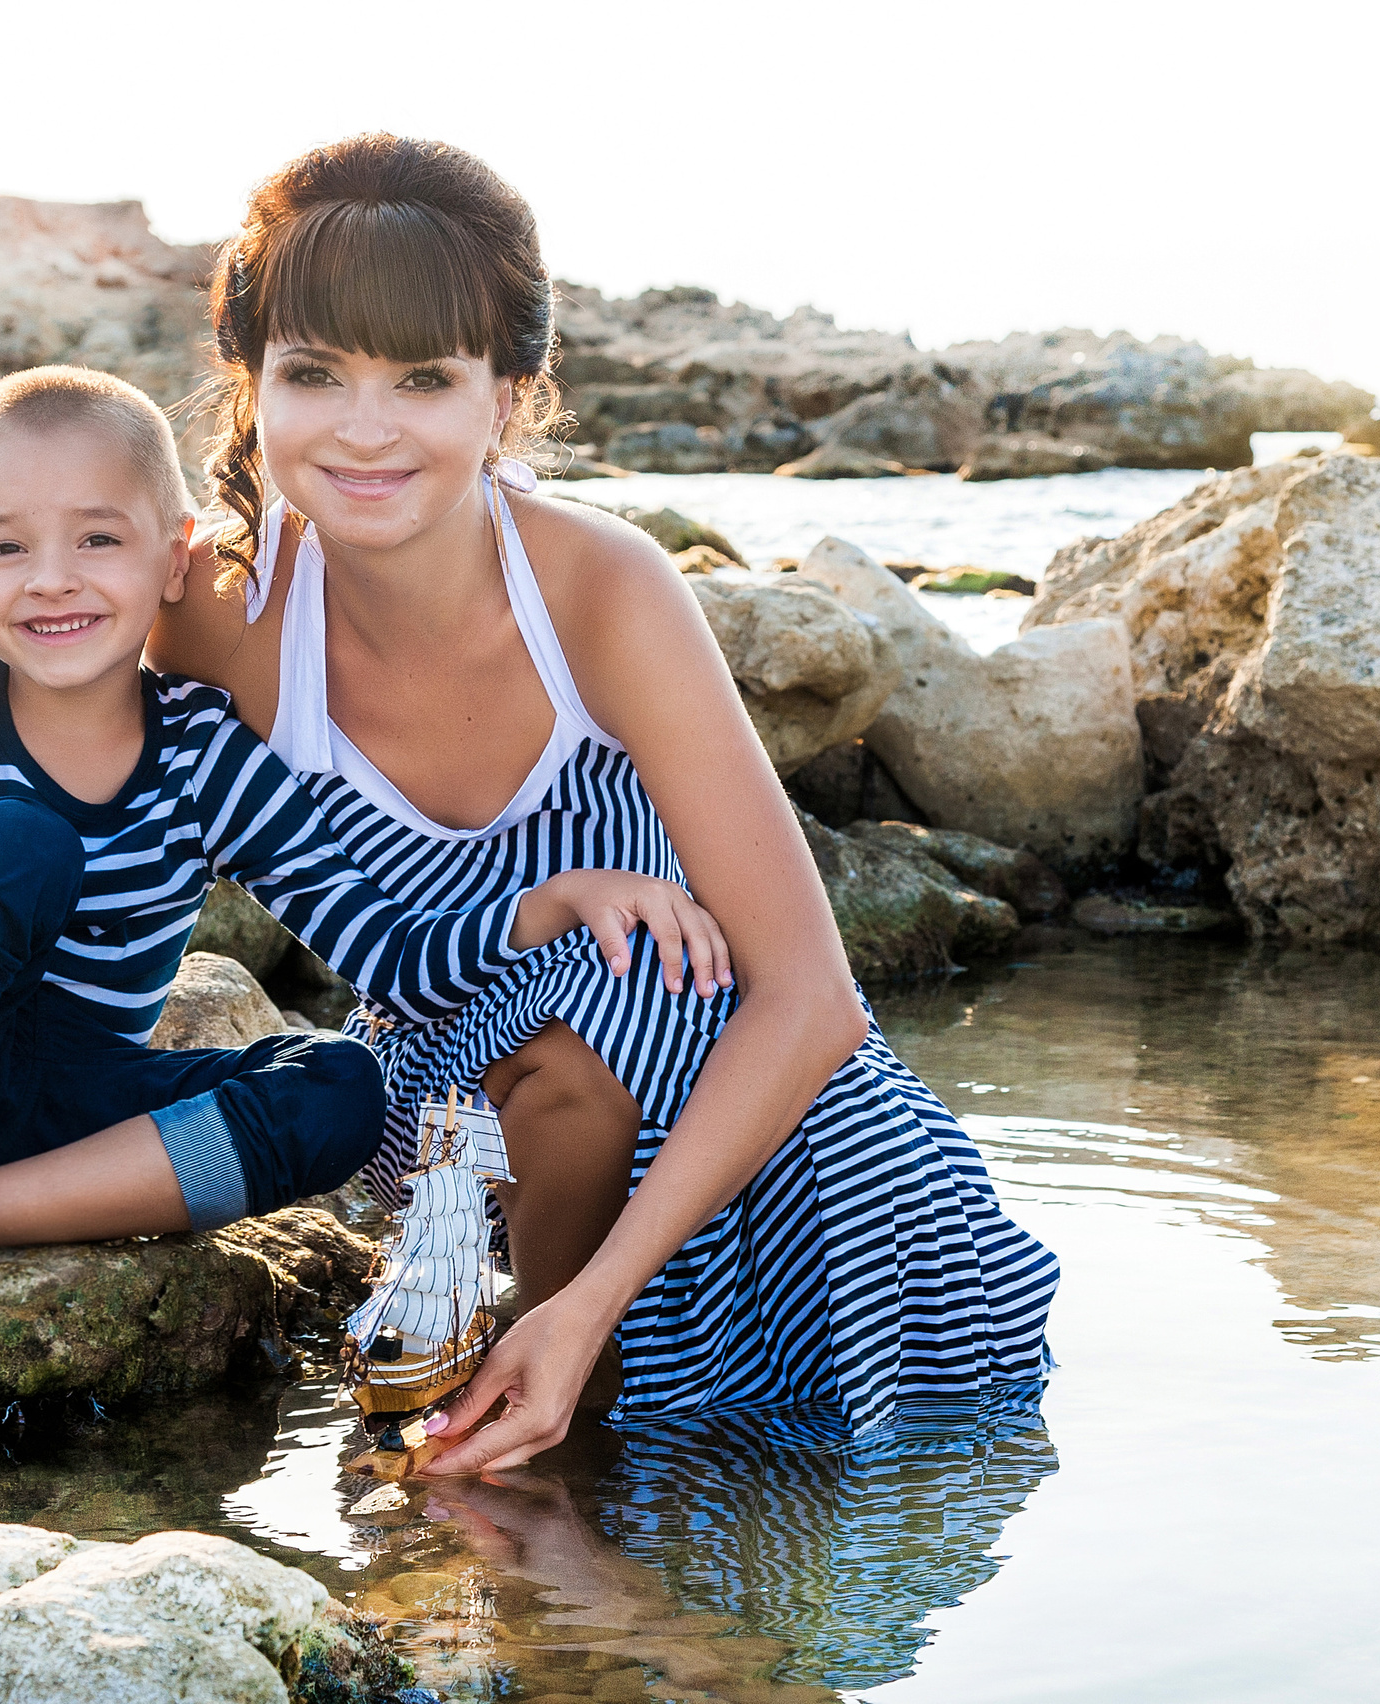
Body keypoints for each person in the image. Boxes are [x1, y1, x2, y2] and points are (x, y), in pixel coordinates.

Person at [146, 134, 1060, 1474]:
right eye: (314, 374)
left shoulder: (602, 591)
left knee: (632, 960)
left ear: (507, 399)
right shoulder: (219, 613)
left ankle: (573, 1415)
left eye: (424, 379)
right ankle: (539, 1450)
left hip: (740, 1125)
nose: (365, 428)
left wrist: (585, 1307)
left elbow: (810, 999)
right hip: (459, 1105)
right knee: (561, 1035)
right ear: (251, 381)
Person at [0, 365, 728, 1340]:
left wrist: (548, 903)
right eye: (6, 546)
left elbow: (386, 958)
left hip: (72, 1114)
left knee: (338, 1082)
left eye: (97, 539)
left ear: (172, 560)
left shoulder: (205, 750)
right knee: (18, 843)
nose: (53, 579)